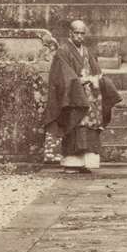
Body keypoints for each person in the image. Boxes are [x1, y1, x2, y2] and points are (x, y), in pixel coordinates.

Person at [47, 17, 116, 173]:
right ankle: (72, 163)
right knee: (75, 125)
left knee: (89, 127)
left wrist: (97, 79)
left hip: (89, 95)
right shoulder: (63, 52)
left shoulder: (86, 51)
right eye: (76, 33)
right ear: (70, 33)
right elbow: (62, 76)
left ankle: (85, 162)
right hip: (73, 96)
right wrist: (80, 81)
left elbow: (96, 70)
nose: (79, 36)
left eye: (82, 33)